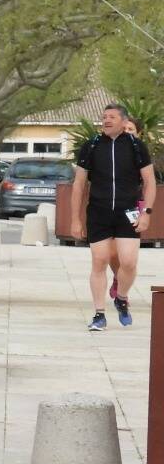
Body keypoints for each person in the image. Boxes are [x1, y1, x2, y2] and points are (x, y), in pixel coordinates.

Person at [72, 102, 154, 330]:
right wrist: (75, 219)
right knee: (99, 261)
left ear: (124, 121)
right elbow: (79, 184)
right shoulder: (91, 146)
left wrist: (146, 212)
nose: (106, 120)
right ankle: (99, 314)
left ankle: (121, 296)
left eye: (112, 117)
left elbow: (149, 182)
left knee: (128, 262)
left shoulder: (137, 147)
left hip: (128, 211)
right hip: (98, 211)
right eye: (104, 116)